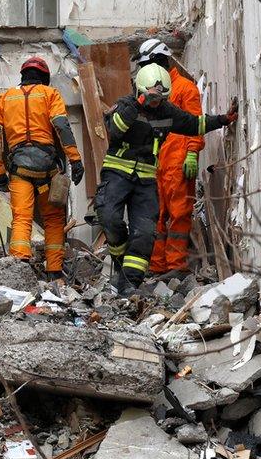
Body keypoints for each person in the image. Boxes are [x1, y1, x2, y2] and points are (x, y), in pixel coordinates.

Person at [98, 63, 238, 295]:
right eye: (153, 99)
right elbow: (115, 130)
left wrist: (224, 119)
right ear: (141, 91)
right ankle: (120, 261)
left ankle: (129, 285)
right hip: (117, 173)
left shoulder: (166, 111)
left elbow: (194, 124)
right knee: (110, 219)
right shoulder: (125, 105)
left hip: (145, 179)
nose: (157, 103)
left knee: (144, 232)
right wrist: (140, 103)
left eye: (161, 98)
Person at [0, 56, 84, 281]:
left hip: (19, 170)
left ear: (23, 76)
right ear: (44, 78)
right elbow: (62, 126)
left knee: (21, 218)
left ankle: (19, 267)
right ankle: (54, 271)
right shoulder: (50, 95)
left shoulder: (5, 98)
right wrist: (75, 160)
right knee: (53, 219)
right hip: (47, 170)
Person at [133, 39, 203, 276]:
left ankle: (175, 266)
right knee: (156, 215)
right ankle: (156, 266)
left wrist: (192, 153)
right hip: (157, 162)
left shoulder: (185, 88)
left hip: (178, 162)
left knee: (179, 214)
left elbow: (195, 124)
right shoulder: (152, 90)